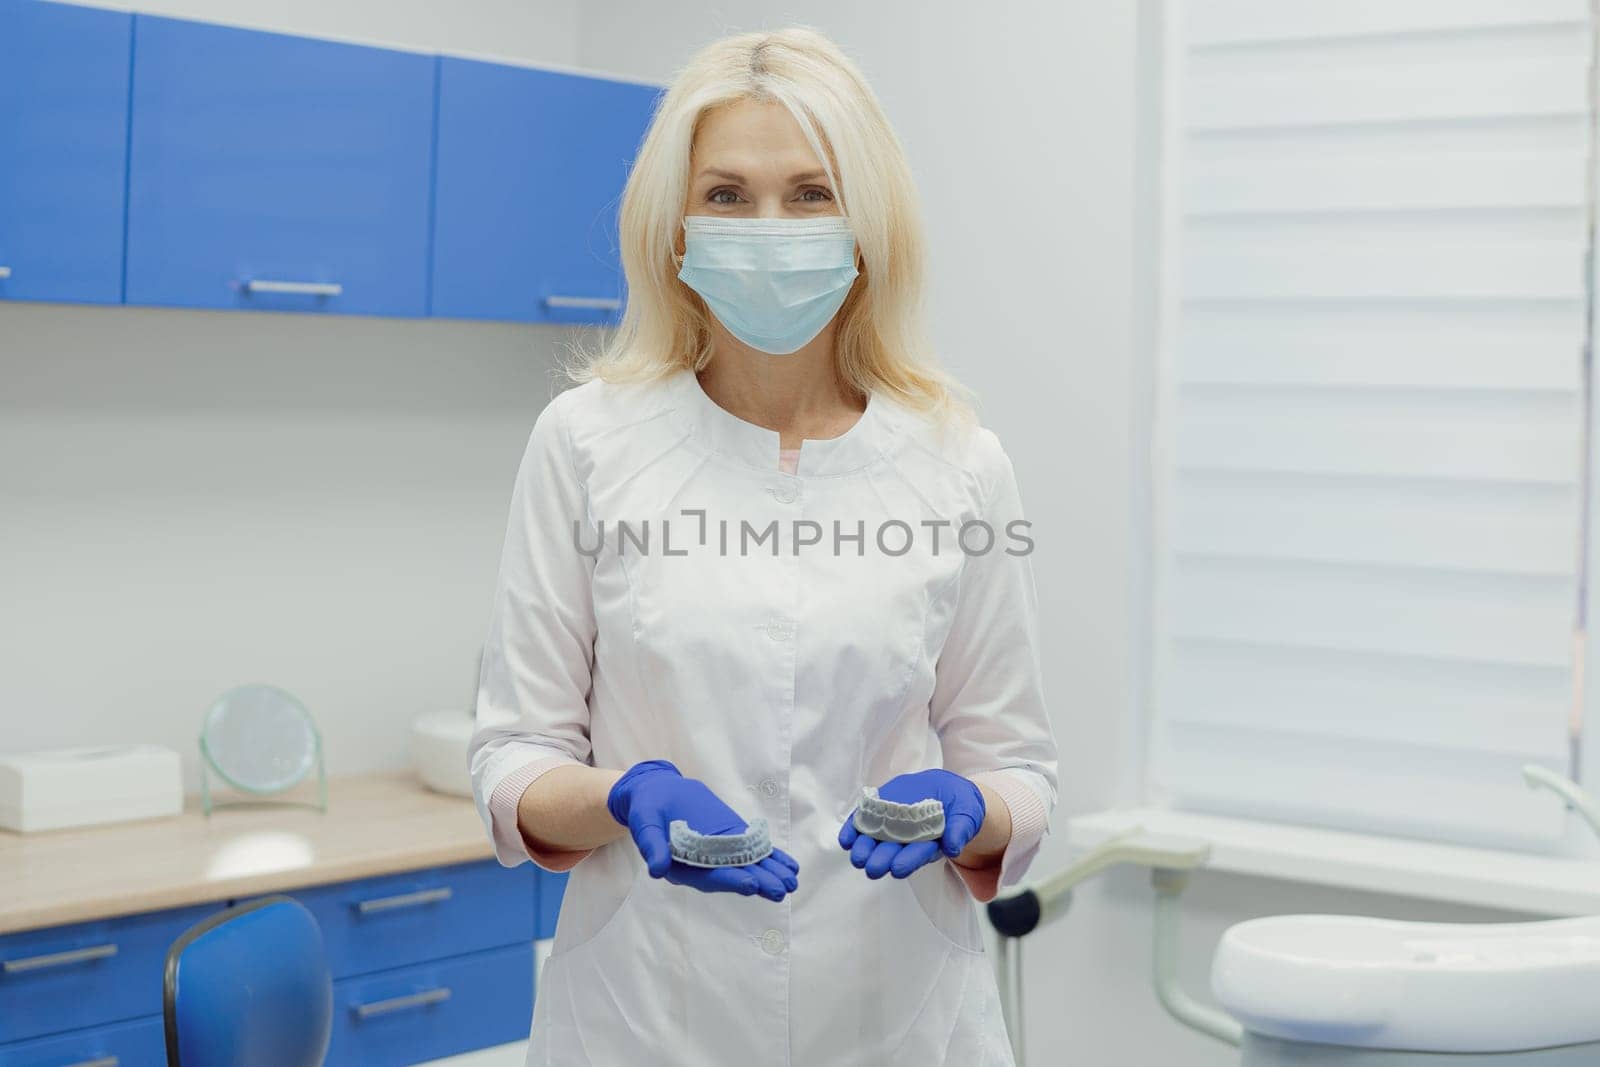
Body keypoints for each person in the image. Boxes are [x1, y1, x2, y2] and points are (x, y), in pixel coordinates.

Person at [468, 25, 1059, 1067]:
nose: (768, 226)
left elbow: (1014, 762)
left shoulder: (960, 464)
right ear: (677, 225)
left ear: (867, 222)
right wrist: (622, 795)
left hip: (899, 1024)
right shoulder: (588, 443)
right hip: (646, 1020)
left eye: (810, 193)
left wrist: (970, 807)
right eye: (728, 194)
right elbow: (514, 752)